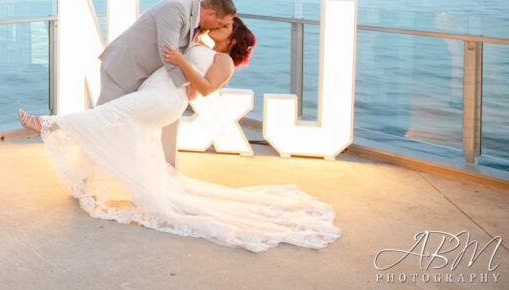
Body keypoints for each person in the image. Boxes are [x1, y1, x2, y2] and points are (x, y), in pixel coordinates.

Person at [19, 19, 340, 252]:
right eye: (221, 22)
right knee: (123, 132)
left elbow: (205, 88)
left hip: (163, 99)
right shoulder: (204, 46)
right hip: (155, 93)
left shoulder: (225, 61)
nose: (220, 26)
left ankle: (45, 124)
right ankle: (135, 189)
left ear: (234, 38)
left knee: (107, 115)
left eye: (227, 26)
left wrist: (181, 61)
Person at [97, 0, 236, 169]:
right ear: (211, 14)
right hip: (123, 70)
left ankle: (167, 170)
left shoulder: (197, 24)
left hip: (149, 81)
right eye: (221, 23)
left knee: (161, 123)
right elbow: (168, 53)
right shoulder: (175, 9)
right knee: (104, 124)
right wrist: (186, 87)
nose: (219, 27)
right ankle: (84, 178)